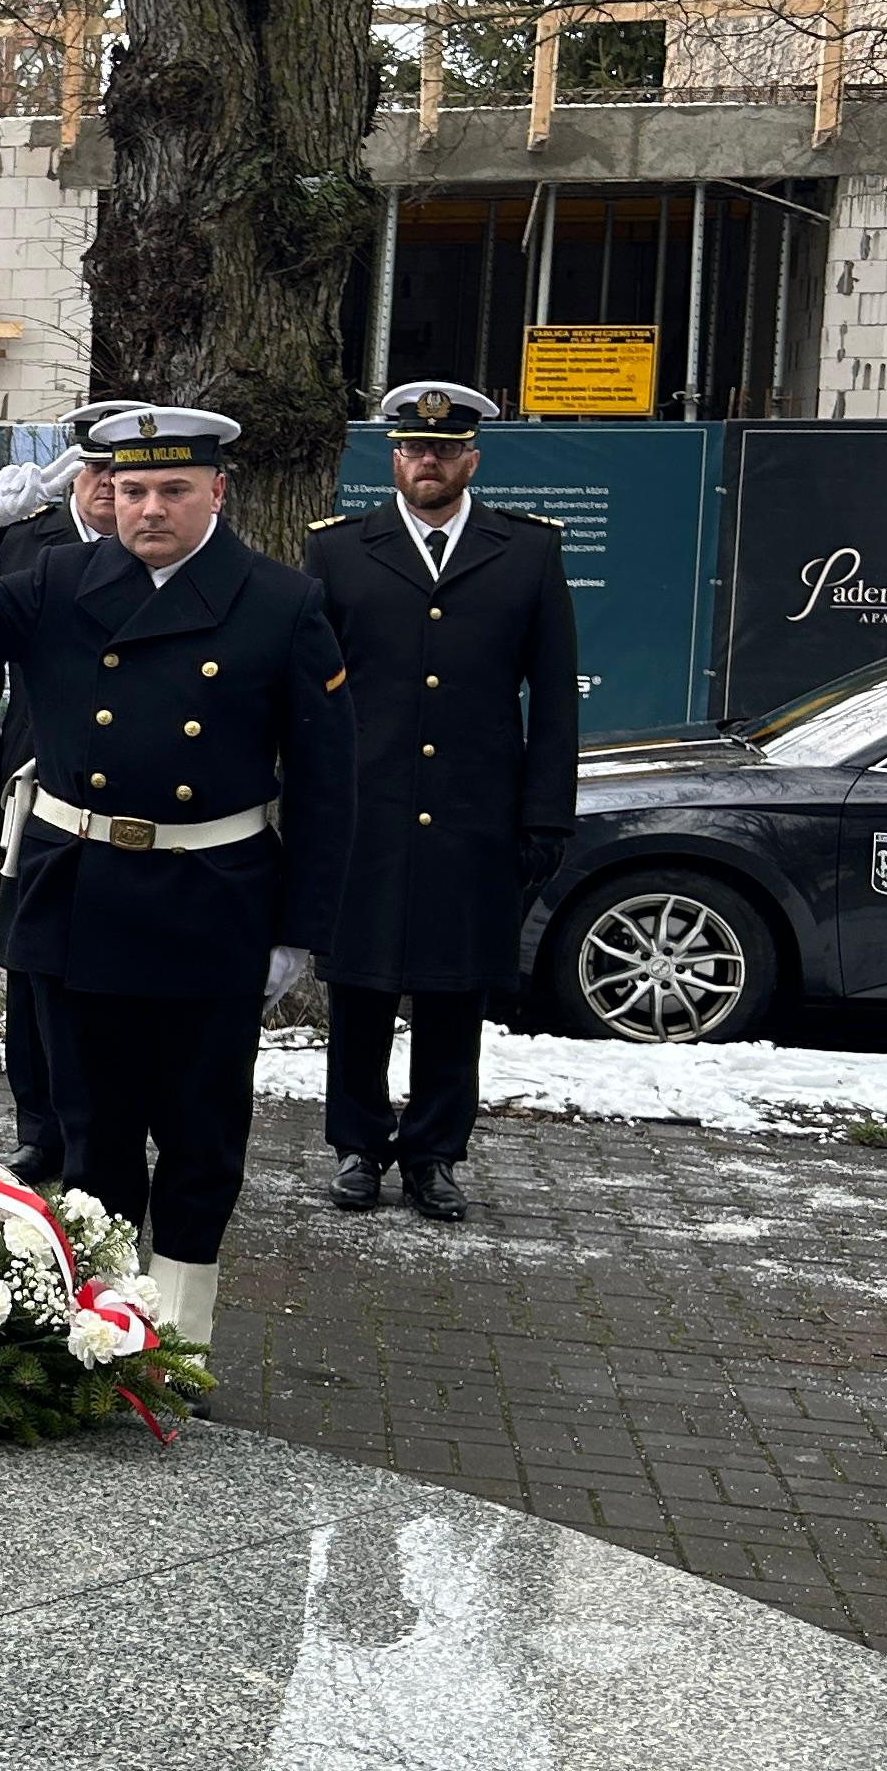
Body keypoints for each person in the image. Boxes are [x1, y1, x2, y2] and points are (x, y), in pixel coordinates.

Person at [0, 403, 350, 1364]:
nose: (150, 509)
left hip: (212, 899)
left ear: (217, 491)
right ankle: (102, 1333)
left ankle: (179, 1339)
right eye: (131, 489)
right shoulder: (60, 578)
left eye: (174, 489)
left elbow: (327, 780)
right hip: (82, 892)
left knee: (201, 1139)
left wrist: (298, 929)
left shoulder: (280, 601)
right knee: (90, 1136)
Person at [305, 381, 580, 1222]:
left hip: (473, 812)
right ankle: (358, 1146)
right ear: (394, 458)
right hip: (367, 809)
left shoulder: (526, 551)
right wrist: (309, 804)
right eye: (414, 450)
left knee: (456, 994)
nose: (429, 462)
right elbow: (310, 693)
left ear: (472, 459)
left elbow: (554, 697)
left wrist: (545, 814)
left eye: (445, 450)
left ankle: (433, 1154)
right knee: (359, 988)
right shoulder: (340, 550)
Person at [0, 407, 123, 1178]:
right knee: (30, 963)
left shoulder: (164, 548)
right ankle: (38, 1124)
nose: (110, 486)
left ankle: (108, 1125)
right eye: (97, 469)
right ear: (75, 472)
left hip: (134, 795)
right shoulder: (26, 542)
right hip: (34, 783)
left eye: (123, 472)